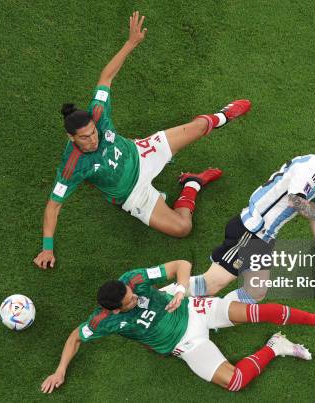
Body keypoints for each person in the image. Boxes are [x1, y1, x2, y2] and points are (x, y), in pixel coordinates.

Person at [34, 12, 251, 269]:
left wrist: (131, 43)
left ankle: (224, 115)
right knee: (182, 228)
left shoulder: (98, 114)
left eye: (93, 132)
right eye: (85, 137)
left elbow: (105, 78)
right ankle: (192, 183)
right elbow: (53, 206)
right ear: (71, 137)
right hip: (133, 194)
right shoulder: (72, 165)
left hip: (141, 152)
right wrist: (47, 249)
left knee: (200, 126)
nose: (93, 139)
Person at [40, 260, 315, 393]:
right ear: (113, 309)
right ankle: (276, 346)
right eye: (129, 301)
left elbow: (180, 266)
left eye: (132, 294)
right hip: (187, 346)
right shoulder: (102, 321)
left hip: (195, 309)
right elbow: (74, 337)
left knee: (259, 311)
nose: (134, 298)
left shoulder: (133, 279)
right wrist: (60, 370)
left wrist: (179, 289)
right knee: (236, 381)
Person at [163, 134, 315, 303]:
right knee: (211, 284)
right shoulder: (309, 169)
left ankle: (212, 315)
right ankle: (156, 297)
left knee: (255, 292)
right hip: (250, 232)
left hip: (264, 238)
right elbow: (295, 201)